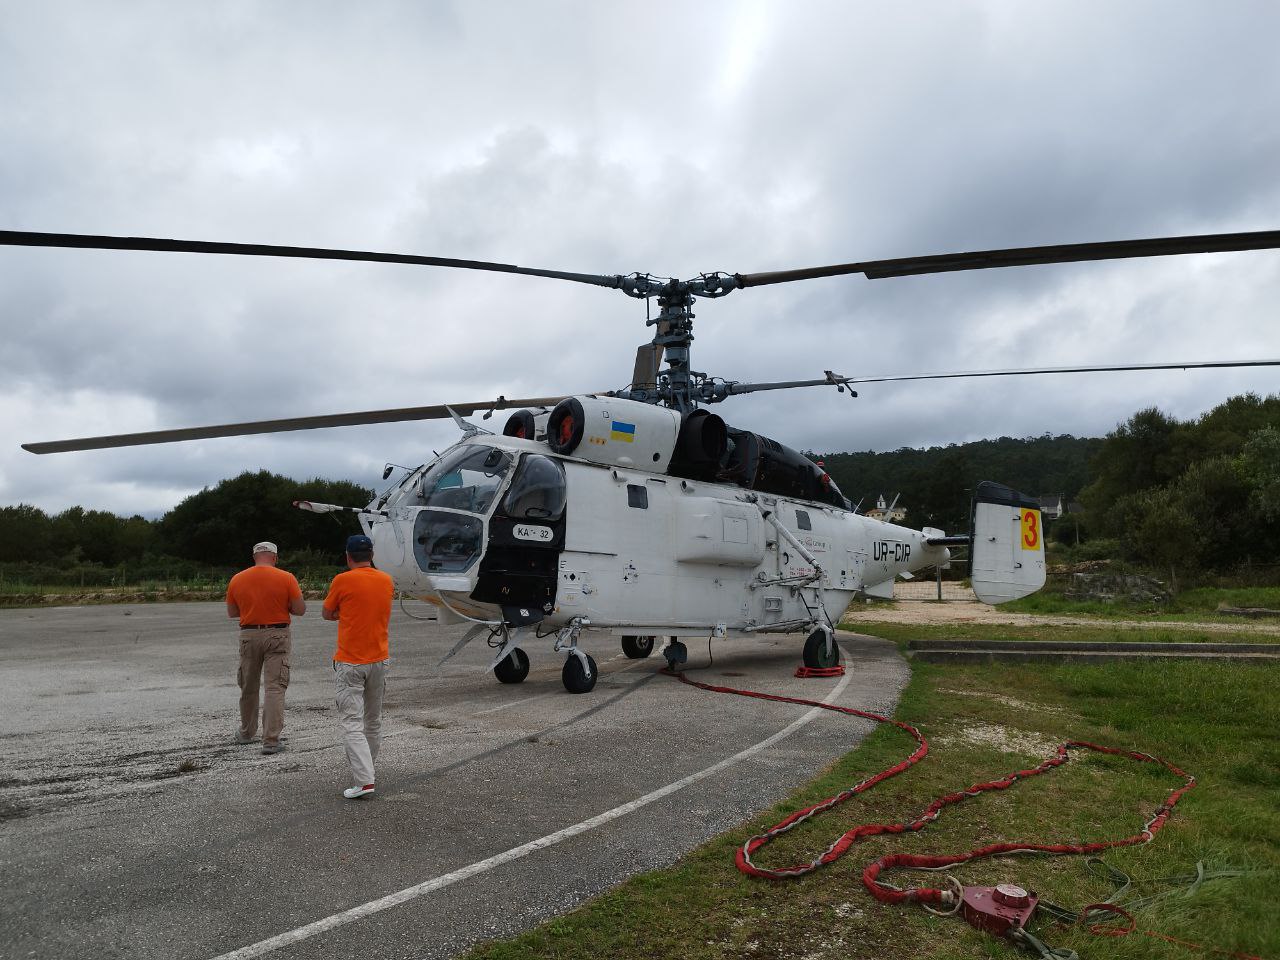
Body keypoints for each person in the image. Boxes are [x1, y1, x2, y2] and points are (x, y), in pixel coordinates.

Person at [323, 533, 395, 799]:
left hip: (351, 660)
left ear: (348, 556)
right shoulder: (386, 580)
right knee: (373, 720)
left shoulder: (342, 580)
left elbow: (327, 612)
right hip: (379, 658)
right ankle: (368, 770)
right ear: (372, 555)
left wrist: (346, 614)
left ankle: (364, 780)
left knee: (351, 721)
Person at [225, 541, 306, 754]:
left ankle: (246, 732)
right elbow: (300, 609)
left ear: (254, 557)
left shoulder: (237, 579)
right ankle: (271, 740)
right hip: (277, 635)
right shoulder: (286, 578)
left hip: (248, 635)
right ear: (275, 557)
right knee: (274, 687)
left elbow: (233, 612)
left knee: (248, 686)